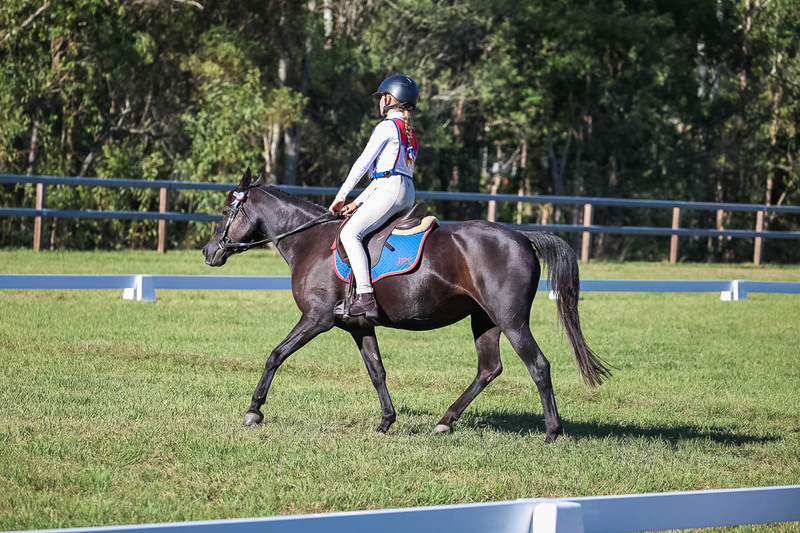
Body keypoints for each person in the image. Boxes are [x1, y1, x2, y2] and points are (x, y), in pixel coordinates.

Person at [328, 74, 420, 319]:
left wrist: (341, 195)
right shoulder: (409, 132)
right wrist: (357, 203)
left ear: (389, 99)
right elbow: (384, 176)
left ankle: (366, 297)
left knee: (350, 233)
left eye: (381, 98)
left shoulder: (386, 127)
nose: (380, 102)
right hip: (405, 191)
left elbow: (362, 165)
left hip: (390, 191)